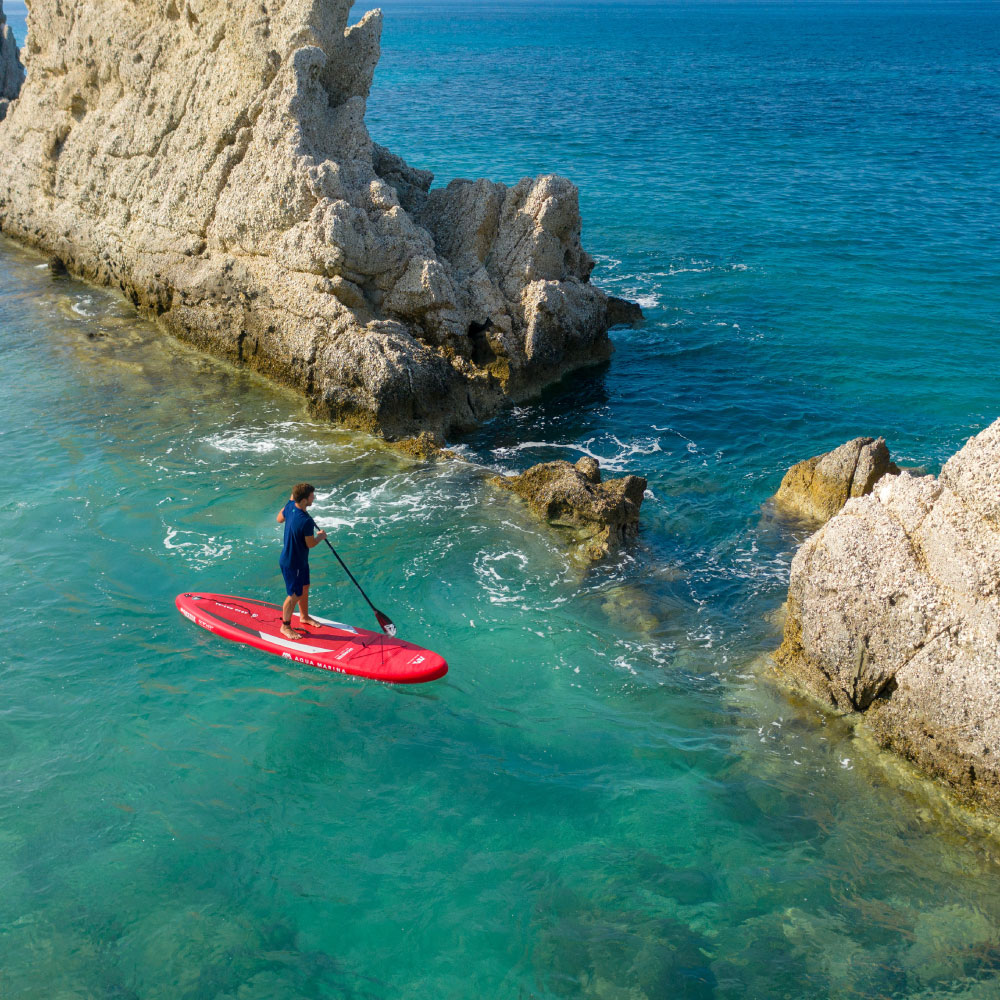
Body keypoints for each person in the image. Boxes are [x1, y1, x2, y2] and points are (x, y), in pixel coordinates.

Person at [276, 482, 327, 640]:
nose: (314, 497)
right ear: (304, 500)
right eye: (312, 495)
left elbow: (279, 519)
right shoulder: (306, 521)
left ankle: (304, 617)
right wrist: (321, 536)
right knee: (294, 595)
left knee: (305, 587)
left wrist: (293, 500)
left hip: (299, 561)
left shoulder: (290, 506)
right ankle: (285, 626)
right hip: (293, 563)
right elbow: (310, 544)